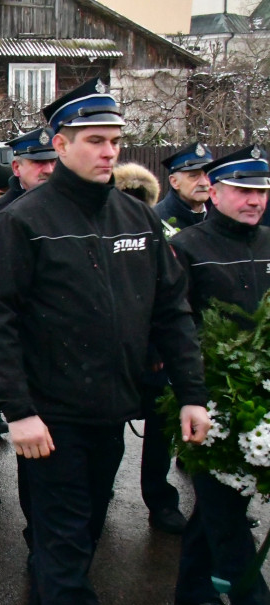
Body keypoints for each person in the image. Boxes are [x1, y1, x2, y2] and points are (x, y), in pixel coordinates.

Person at [0, 78, 210, 605]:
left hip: (109, 414)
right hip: (49, 421)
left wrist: (191, 392)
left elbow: (171, 310)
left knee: (71, 543)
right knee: (66, 553)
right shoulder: (25, 221)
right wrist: (18, 410)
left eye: (115, 141)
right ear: (60, 144)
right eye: (95, 141)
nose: (109, 152)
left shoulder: (135, 216)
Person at [172, 146, 270, 605]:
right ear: (216, 191)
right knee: (229, 519)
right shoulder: (187, 247)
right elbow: (174, 324)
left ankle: (191, 591)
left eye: (262, 191)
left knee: (219, 506)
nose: (256, 201)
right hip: (208, 401)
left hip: (261, 400)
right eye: (245, 191)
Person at [111, 161, 190, 534]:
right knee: (108, 436)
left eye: (142, 201)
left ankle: (159, 500)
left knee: (160, 434)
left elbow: (170, 302)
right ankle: (103, 485)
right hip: (113, 360)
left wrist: (160, 353)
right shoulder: (103, 238)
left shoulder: (160, 239)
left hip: (155, 359)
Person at [0, 127, 57, 221]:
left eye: (53, 161)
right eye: (38, 162)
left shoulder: (70, 205)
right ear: (16, 168)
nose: (49, 170)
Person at [155, 141, 213, 230]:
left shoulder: (223, 216)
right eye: (194, 176)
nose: (204, 183)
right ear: (174, 182)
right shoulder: (155, 220)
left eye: (207, 175)